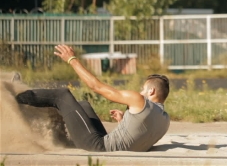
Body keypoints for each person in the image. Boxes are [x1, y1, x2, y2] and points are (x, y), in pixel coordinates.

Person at [14, 44, 170, 152]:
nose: (140, 91)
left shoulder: (139, 101)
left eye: (142, 89)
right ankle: (53, 129)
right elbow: (141, 137)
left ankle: (14, 95)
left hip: (99, 146)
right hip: (108, 144)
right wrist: (123, 121)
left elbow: (97, 87)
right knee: (83, 105)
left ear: (151, 91)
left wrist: (71, 59)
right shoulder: (164, 120)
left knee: (62, 96)